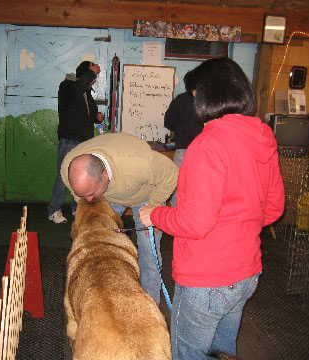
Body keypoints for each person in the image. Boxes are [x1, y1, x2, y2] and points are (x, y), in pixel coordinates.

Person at [139, 57, 285, 359]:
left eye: (195, 95)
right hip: (246, 274)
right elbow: (272, 210)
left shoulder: (207, 145)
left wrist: (154, 214)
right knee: (221, 351)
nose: (194, 103)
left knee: (188, 353)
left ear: (207, 95)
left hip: (206, 278)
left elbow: (194, 223)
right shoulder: (263, 137)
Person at [60, 132, 179, 305]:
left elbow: (171, 174)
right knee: (98, 242)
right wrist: (89, 199)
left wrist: (152, 207)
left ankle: (150, 305)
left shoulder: (138, 163)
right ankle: (106, 296)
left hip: (146, 195)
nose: (88, 200)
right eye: (83, 195)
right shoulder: (68, 169)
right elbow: (86, 197)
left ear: (104, 175)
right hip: (108, 196)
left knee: (148, 254)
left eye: (90, 194)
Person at [47, 61, 104, 224]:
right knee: (63, 176)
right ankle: (54, 210)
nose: (94, 78)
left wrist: (96, 117)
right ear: (85, 73)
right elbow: (78, 88)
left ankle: (77, 208)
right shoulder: (67, 86)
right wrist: (91, 72)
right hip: (69, 139)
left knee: (82, 176)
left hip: (84, 141)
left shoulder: (86, 91)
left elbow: (90, 114)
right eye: (92, 73)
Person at [164, 69, 204, 206]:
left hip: (184, 149)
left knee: (178, 187)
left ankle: (175, 221)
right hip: (206, 151)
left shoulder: (181, 100)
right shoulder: (211, 102)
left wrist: (181, 129)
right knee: (201, 189)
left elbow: (168, 122)